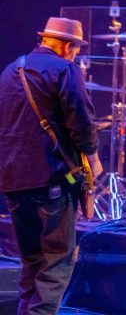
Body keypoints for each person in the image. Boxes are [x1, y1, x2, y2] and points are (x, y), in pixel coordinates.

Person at [0, 17, 103, 315]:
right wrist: (93, 158)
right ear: (68, 46)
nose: (76, 54)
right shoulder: (66, 70)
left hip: (12, 180)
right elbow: (81, 123)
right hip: (52, 179)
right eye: (76, 48)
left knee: (31, 260)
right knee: (57, 260)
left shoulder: (10, 70)